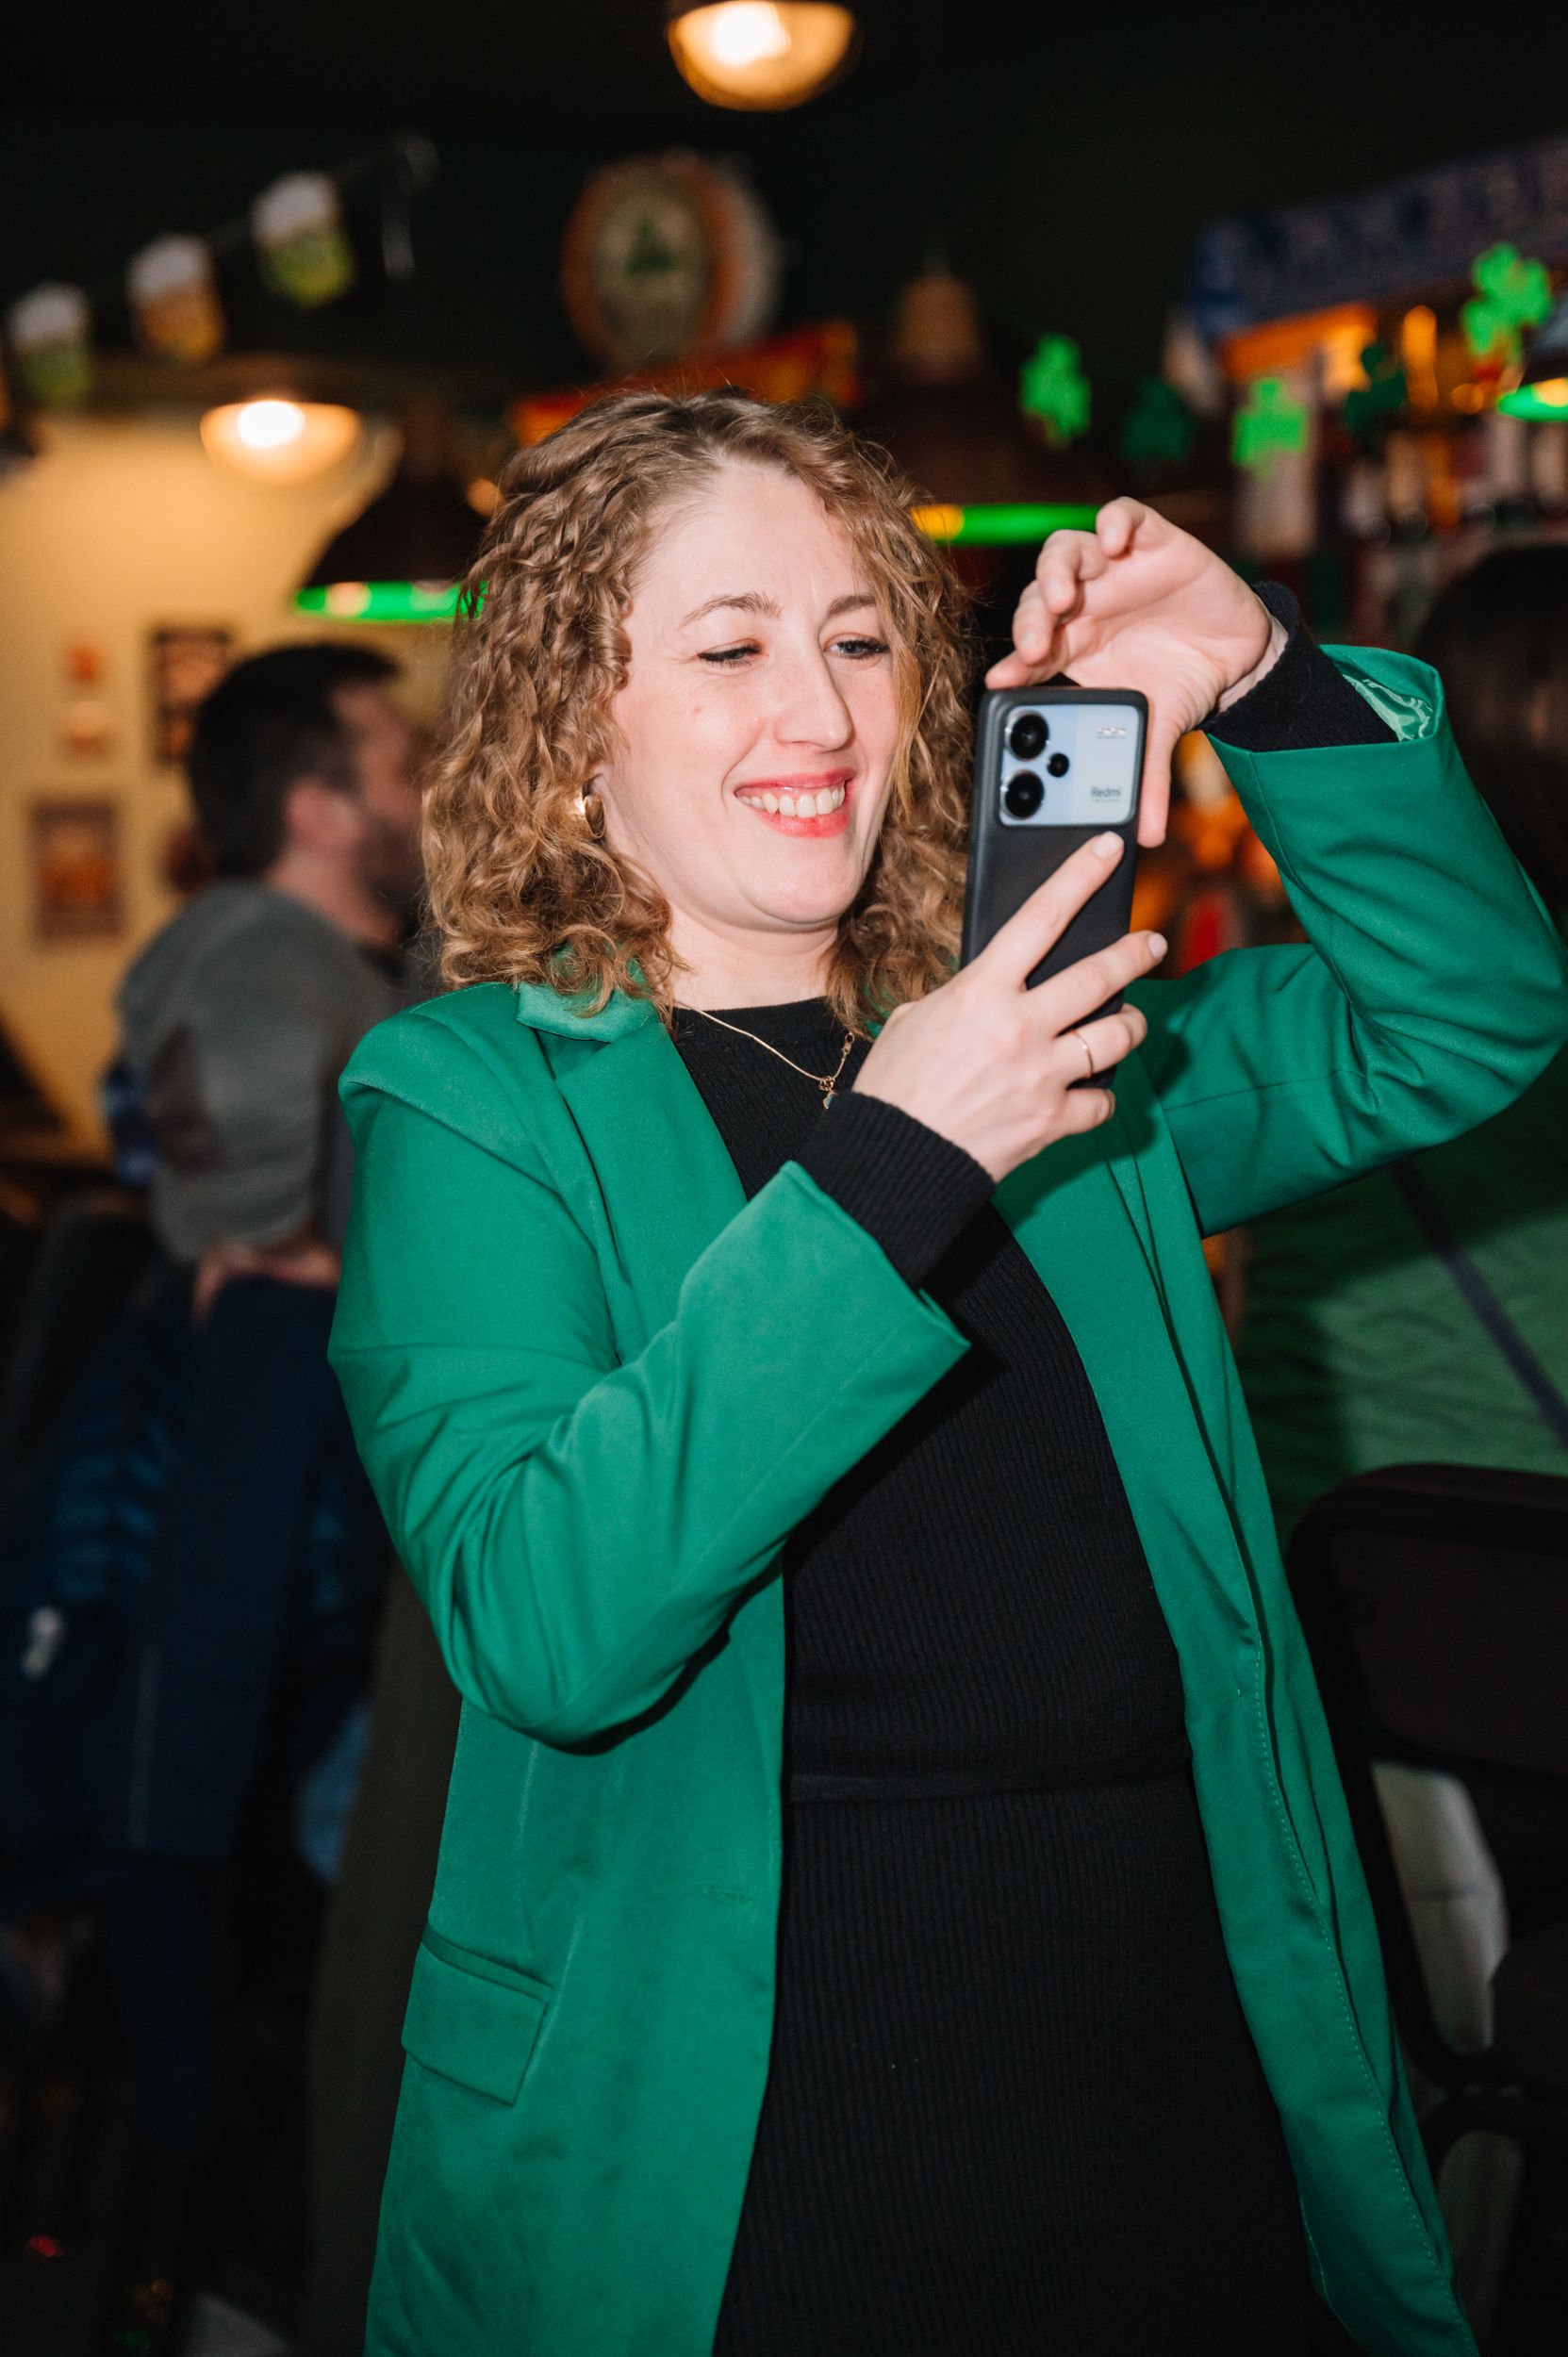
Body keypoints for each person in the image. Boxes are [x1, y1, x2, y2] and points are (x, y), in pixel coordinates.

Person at [328, 390, 1568, 2357]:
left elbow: (1466, 1018)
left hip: (1174, 2040)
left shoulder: (1041, 1034)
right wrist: (897, 1159)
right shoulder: (470, 1102)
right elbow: (548, 1620)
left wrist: (1263, 672)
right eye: (728, 648)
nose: (817, 712)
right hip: (757, 2117)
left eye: (857, 637)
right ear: (575, 724)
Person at [95, 642, 424, 2346]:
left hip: (335, 1537)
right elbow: (228, 1211)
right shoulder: (262, 954)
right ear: (319, 807)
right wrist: (267, 1244)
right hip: (308, 1562)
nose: (425, 784)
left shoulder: (342, 968)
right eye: (396, 759)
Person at [1239, 545, 1568, 1541]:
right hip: (1503, 1541)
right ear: (1533, 708)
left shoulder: (1376, 954)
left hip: (1329, 1527)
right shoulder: (1498, 982)